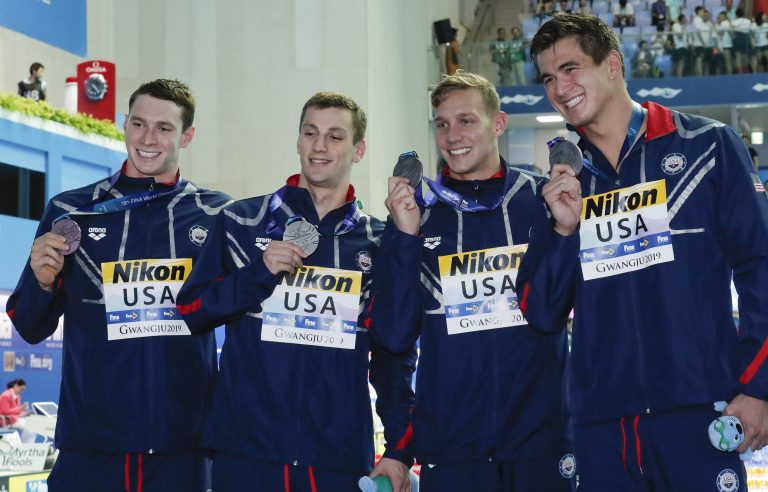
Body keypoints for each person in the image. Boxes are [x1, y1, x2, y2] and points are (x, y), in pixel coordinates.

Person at [522, 12, 768, 491]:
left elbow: (761, 269)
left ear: (613, 64)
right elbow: (541, 312)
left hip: (699, 412)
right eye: (549, 78)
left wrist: (758, 386)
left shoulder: (707, 147)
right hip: (602, 427)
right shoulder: (562, 188)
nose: (558, 87)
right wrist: (562, 231)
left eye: (571, 69)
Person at [176, 92, 417, 492]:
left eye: (335, 136)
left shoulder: (377, 241)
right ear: (298, 140)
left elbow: (393, 356)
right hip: (245, 454)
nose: (320, 146)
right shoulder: (242, 221)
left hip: (336, 458)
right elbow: (192, 310)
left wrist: (399, 449)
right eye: (310, 133)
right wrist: (259, 273)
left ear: (359, 150)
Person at [6, 79, 232, 491]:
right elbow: (29, 327)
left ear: (188, 136)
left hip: (184, 450)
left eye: (164, 128)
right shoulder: (71, 211)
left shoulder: (217, 215)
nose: (148, 139)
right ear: (124, 125)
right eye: (139, 124)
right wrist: (41, 283)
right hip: (91, 448)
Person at [370, 70, 574, 492]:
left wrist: (563, 231)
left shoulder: (543, 202)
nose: (451, 135)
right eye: (441, 123)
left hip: (542, 445)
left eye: (466, 120)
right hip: (453, 450)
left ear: (498, 124)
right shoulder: (415, 214)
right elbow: (392, 336)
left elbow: (558, 311)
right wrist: (405, 237)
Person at [0, 379, 35, 443]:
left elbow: (15, 410)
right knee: (31, 426)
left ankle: (26, 446)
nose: (22, 391)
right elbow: (4, 411)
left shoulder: (18, 396)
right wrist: (20, 408)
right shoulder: (6, 395)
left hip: (14, 419)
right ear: (16, 386)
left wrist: (25, 413)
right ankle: (26, 447)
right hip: (6, 420)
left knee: (32, 424)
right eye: (21, 389)